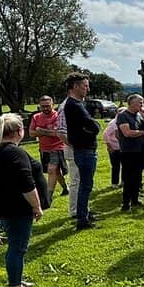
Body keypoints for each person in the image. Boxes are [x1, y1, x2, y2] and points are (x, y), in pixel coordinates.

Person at [0, 114, 43, 287]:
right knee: (18, 247)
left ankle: (15, 279)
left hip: (4, 203)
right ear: (19, 131)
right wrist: (36, 206)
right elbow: (26, 183)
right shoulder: (14, 152)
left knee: (15, 244)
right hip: (17, 206)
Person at [62, 72, 100, 230]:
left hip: (85, 148)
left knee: (85, 184)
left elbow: (90, 125)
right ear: (75, 86)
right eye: (85, 86)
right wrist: (93, 129)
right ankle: (82, 220)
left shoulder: (77, 104)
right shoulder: (73, 105)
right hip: (84, 150)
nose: (87, 89)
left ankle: (84, 213)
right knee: (85, 185)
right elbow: (94, 126)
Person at [116, 95, 144, 211]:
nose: (142, 105)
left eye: (142, 103)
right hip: (128, 151)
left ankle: (135, 199)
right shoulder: (123, 116)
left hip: (140, 150)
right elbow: (127, 133)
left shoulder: (139, 116)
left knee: (137, 176)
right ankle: (126, 203)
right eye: (139, 103)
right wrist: (141, 133)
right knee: (128, 178)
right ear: (131, 103)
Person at [30, 95, 68, 202]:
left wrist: (41, 131)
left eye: (48, 106)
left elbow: (57, 133)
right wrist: (47, 132)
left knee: (52, 170)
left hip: (57, 147)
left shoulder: (57, 116)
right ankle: (65, 188)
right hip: (44, 149)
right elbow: (31, 133)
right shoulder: (36, 117)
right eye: (43, 106)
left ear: (53, 105)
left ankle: (48, 197)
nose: (45, 108)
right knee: (56, 171)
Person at [102, 109, 123, 188]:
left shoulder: (123, 121)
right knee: (115, 166)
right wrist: (109, 146)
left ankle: (123, 181)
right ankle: (114, 183)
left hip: (122, 147)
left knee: (124, 165)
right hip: (114, 148)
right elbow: (105, 134)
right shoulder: (113, 123)